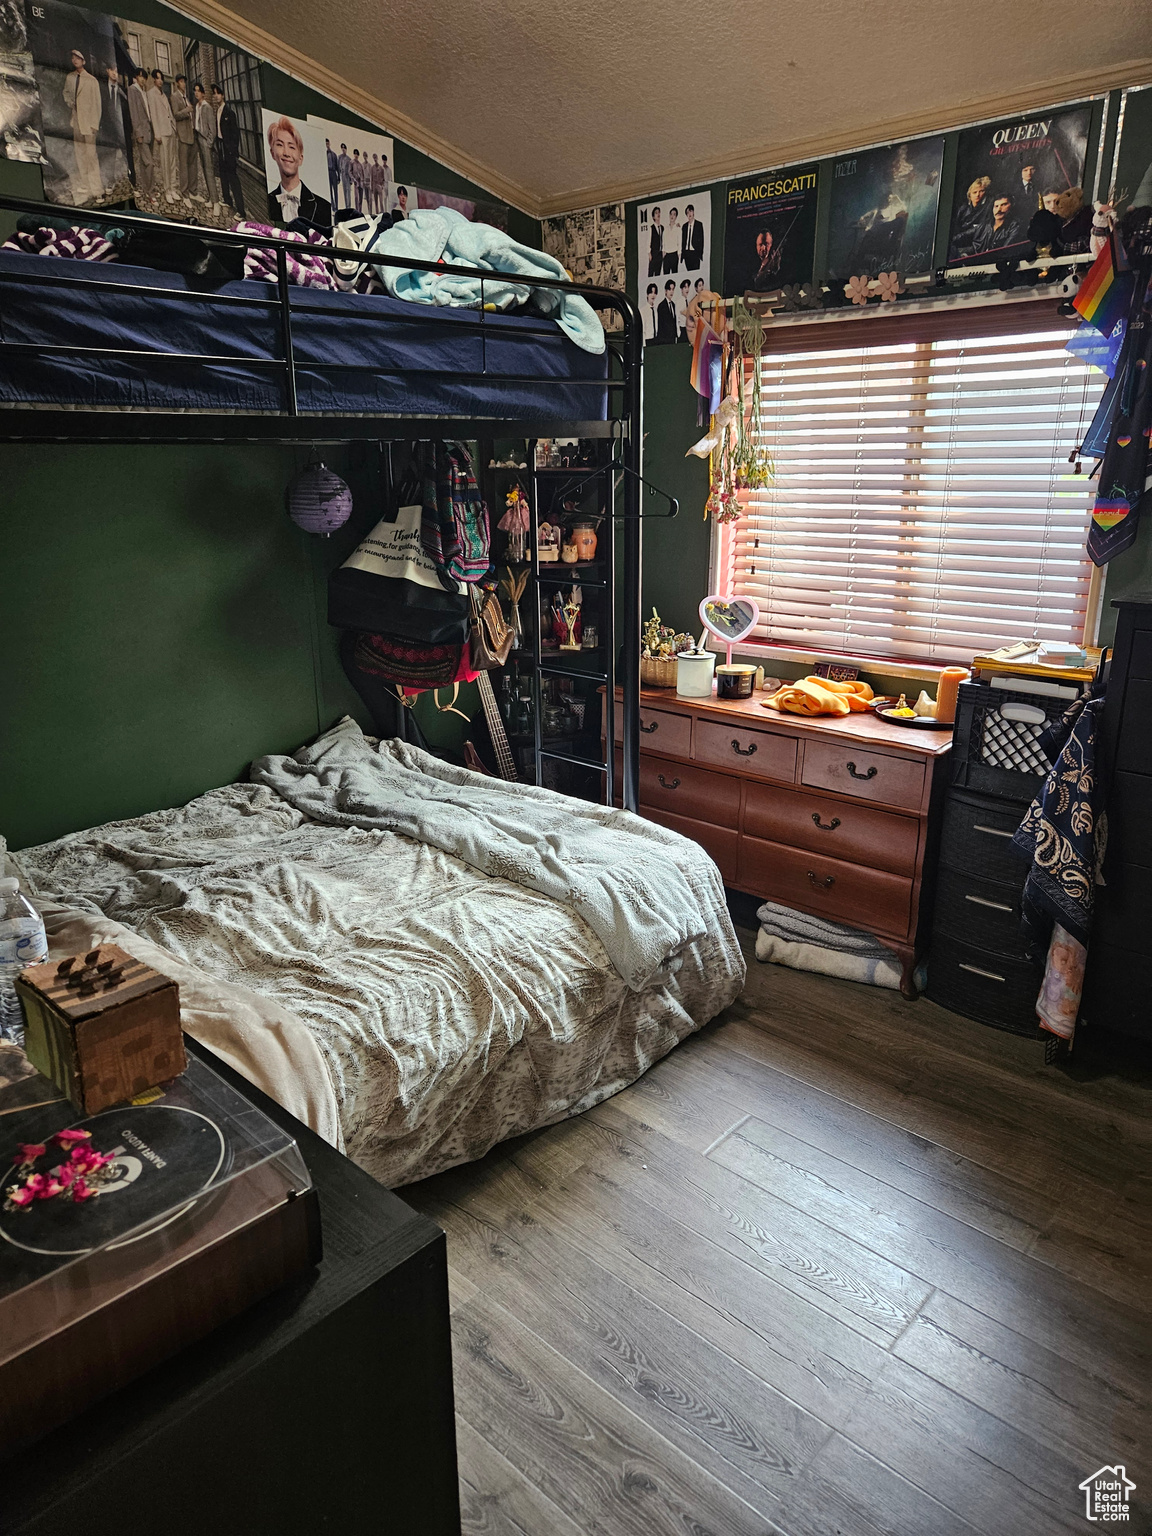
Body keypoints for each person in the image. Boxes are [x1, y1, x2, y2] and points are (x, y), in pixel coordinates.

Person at [265, 114, 331, 233]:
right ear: (272, 153)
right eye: (280, 145)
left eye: (292, 147)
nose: (286, 153)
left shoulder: (323, 207)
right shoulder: (267, 201)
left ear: (300, 158)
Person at [63, 48, 102, 205]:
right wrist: (70, 102)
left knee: (91, 156)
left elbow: (97, 104)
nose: (75, 60)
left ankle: (97, 190)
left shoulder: (91, 80)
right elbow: (65, 93)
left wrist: (94, 124)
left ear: (83, 61)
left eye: (78, 58)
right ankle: (85, 186)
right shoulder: (70, 77)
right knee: (80, 155)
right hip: (76, 122)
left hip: (89, 123)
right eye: (73, 58)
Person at [211, 82, 244, 214]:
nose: (216, 96)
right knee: (223, 174)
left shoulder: (229, 112)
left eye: (218, 93)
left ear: (223, 95)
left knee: (233, 178)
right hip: (220, 146)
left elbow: (236, 134)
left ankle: (241, 211)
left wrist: (233, 151)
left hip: (228, 148)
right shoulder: (218, 111)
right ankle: (227, 200)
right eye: (214, 94)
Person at [146, 69, 176, 200]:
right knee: (164, 162)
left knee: (172, 162)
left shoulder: (164, 94)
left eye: (161, 78)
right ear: (153, 79)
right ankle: (167, 190)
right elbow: (153, 114)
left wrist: (174, 128)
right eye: (158, 78)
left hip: (170, 130)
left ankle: (173, 188)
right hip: (162, 132)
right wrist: (157, 133)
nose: (160, 80)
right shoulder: (151, 94)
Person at [102, 62, 132, 186]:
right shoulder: (102, 89)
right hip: (109, 130)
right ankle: (109, 182)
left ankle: (131, 180)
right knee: (109, 157)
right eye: (112, 70)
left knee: (128, 156)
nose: (115, 73)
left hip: (123, 130)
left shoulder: (123, 91)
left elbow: (128, 111)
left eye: (117, 71)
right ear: (107, 71)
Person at [949, 176, 991, 259]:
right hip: (960, 242)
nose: (978, 195)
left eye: (981, 191)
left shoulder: (989, 207)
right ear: (970, 195)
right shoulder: (963, 209)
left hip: (977, 244)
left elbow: (982, 228)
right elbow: (956, 227)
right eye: (974, 192)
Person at [128, 66, 153, 196]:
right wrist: (138, 133)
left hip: (149, 130)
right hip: (141, 132)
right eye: (141, 76)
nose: (143, 79)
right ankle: (150, 191)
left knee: (145, 163)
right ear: (137, 77)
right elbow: (134, 113)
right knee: (149, 163)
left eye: (145, 77)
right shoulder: (133, 90)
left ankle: (146, 188)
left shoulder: (144, 91)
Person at [170, 74, 196, 197]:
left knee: (192, 164)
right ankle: (185, 192)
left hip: (191, 135)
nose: (183, 84)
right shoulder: (174, 97)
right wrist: (187, 110)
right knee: (184, 165)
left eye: (184, 81)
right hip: (183, 135)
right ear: (176, 84)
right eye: (181, 81)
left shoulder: (186, 97)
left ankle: (193, 191)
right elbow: (175, 115)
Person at [192, 82, 217, 204]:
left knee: (209, 170)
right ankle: (211, 199)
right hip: (198, 138)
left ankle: (215, 201)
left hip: (205, 140)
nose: (196, 93)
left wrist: (209, 143)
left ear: (203, 93)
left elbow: (213, 129)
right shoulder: (197, 106)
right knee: (204, 169)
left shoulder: (207, 107)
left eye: (198, 91)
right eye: (195, 91)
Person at [681, 202, 704, 271]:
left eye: (690, 211)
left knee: (695, 273)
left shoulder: (699, 224)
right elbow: (683, 240)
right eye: (687, 212)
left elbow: (702, 240)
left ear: (693, 212)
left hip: (695, 253)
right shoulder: (684, 226)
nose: (689, 214)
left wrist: (699, 253)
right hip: (687, 253)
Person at [656, 278, 679, 343]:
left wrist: (676, 335)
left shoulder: (673, 304)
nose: (671, 291)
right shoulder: (661, 306)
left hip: (673, 338)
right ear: (666, 291)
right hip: (664, 339)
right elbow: (660, 324)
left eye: (673, 289)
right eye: (669, 289)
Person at [663, 207, 680, 274]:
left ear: (676, 217)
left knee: (674, 273)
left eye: (674, 214)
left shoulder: (678, 228)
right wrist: (663, 253)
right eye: (671, 214)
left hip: (674, 255)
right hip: (667, 255)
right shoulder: (666, 228)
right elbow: (663, 241)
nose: (672, 216)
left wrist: (678, 254)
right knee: (665, 274)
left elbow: (679, 242)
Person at [647, 206, 663, 277]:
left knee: (658, 274)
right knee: (651, 274)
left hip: (660, 255)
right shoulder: (651, 228)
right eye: (656, 213)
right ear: (653, 217)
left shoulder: (662, 228)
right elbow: (648, 242)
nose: (658, 214)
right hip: (653, 255)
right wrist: (649, 254)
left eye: (659, 212)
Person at [337, 142, 352, 209]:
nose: (343, 150)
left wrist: (351, 180)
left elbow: (350, 170)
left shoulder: (348, 159)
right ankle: (346, 206)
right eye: (342, 148)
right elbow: (338, 167)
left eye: (344, 148)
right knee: (344, 191)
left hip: (347, 176)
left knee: (348, 191)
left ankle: (348, 206)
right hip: (342, 175)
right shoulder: (340, 157)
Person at [350, 147, 366, 212]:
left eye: (357, 154)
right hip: (356, 181)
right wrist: (354, 179)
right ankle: (357, 211)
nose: (356, 155)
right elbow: (350, 172)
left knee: (360, 198)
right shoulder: (352, 162)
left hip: (360, 181)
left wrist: (362, 181)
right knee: (356, 197)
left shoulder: (360, 164)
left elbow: (362, 174)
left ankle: (360, 211)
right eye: (355, 154)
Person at [325, 138, 339, 208]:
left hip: (333, 173)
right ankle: (333, 206)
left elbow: (337, 166)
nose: (327, 145)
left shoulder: (333, 154)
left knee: (335, 191)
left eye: (328, 143)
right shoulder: (325, 154)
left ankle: (336, 206)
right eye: (326, 144)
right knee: (330, 191)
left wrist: (338, 176)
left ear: (329, 144)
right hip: (328, 173)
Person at [678, 278, 692, 342]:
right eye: (685, 287)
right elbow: (685, 313)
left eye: (688, 287)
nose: (687, 289)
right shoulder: (679, 301)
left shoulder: (688, 302)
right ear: (681, 289)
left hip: (688, 328)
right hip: (682, 329)